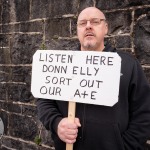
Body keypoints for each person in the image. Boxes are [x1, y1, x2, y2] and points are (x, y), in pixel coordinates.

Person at [37, 7, 150, 150]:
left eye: (95, 22)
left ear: (106, 28)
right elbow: (44, 100)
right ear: (77, 29)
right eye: (83, 23)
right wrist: (56, 123)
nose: (88, 26)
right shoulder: (60, 64)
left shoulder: (128, 65)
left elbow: (144, 112)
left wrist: (124, 146)